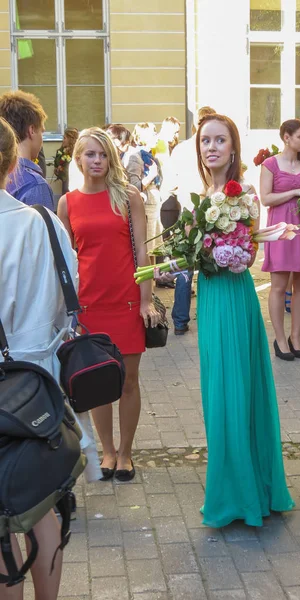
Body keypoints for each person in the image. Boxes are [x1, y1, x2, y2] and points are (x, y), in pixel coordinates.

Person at [195, 113, 294, 527]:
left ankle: (245, 494)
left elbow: (247, 257)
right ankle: (232, 485)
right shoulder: (202, 196)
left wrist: (215, 254)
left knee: (238, 390)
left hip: (234, 299)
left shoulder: (245, 195)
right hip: (210, 301)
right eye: (205, 141)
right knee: (217, 395)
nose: (212, 147)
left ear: (233, 148)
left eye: (220, 140)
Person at [0, 117, 77, 600]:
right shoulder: (43, 223)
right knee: (43, 506)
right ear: (13, 164)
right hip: (38, 385)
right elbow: (66, 299)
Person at [57, 127, 160, 482]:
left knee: (129, 381)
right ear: (79, 159)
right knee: (98, 381)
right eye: (90, 154)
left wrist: (146, 300)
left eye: (102, 154)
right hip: (89, 307)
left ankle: (127, 453)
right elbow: (67, 260)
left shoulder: (128, 196)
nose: (97, 160)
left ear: (111, 158)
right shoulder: (67, 203)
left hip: (126, 301)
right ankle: (108, 452)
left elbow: (142, 251)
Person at [260, 119, 300, 361]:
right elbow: (266, 199)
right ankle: (280, 338)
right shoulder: (270, 164)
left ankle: (296, 337)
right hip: (281, 230)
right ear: (286, 137)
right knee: (278, 286)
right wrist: (296, 191)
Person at [161, 106, 217, 334]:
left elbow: (170, 182)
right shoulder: (210, 148)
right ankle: (204, 316)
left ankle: (180, 321)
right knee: (207, 266)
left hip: (186, 210)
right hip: (207, 212)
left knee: (184, 266)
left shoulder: (182, 149)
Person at [0, 90, 54, 210]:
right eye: (42, 132)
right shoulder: (35, 185)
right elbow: (40, 228)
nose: (42, 139)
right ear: (32, 130)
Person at [131, 122, 163, 254]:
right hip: (145, 208)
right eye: (153, 134)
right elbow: (133, 186)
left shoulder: (150, 156)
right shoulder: (135, 157)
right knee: (147, 248)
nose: (157, 137)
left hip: (154, 207)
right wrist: (151, 176)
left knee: (154, 248)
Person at [54, 127, 79, 195]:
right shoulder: (61, 151)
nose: (63, 140)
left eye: (65, 138)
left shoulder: (78, 153)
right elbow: (56, 163)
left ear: (70, 139)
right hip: (65, 181)